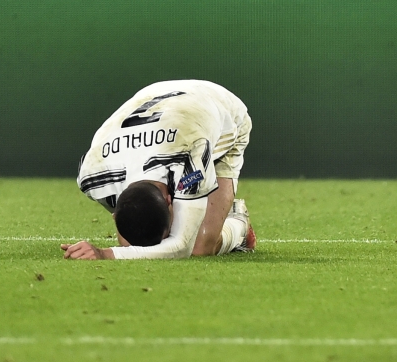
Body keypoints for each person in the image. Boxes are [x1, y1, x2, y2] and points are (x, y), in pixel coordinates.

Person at [63, 79, 255, 260]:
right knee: (132, 241)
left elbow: (182, 247)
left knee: (200, 247)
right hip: (158, 101)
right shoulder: (93, 175)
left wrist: (105, 254)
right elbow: (128, 219)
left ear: (170, 199)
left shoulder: (190, 158)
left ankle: (238, 224)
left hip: (219, 108)